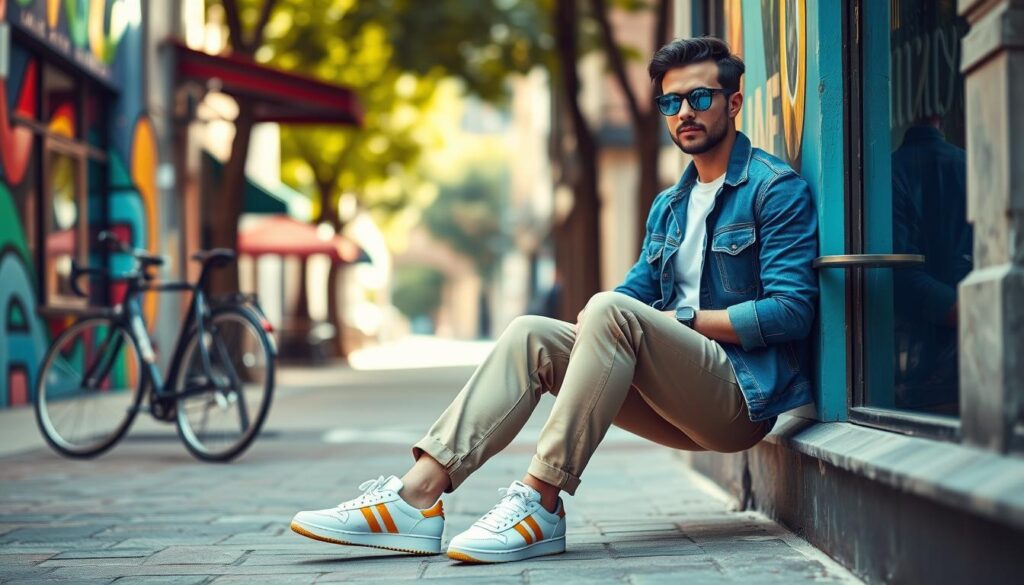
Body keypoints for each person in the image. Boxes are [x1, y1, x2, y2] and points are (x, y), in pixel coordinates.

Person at [290, 36, 819, 564]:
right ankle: (414, 499)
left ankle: (541, 502)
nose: (684, 112)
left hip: (738, 401)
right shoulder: (670, 205)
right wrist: (600, 313)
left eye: (700, 98)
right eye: (670, 102)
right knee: (532, 333)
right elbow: (631, 294)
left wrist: (677, 319)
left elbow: (792, 313)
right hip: (673, 403)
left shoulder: (774, 190)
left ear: (733, 102)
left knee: (613, 312)